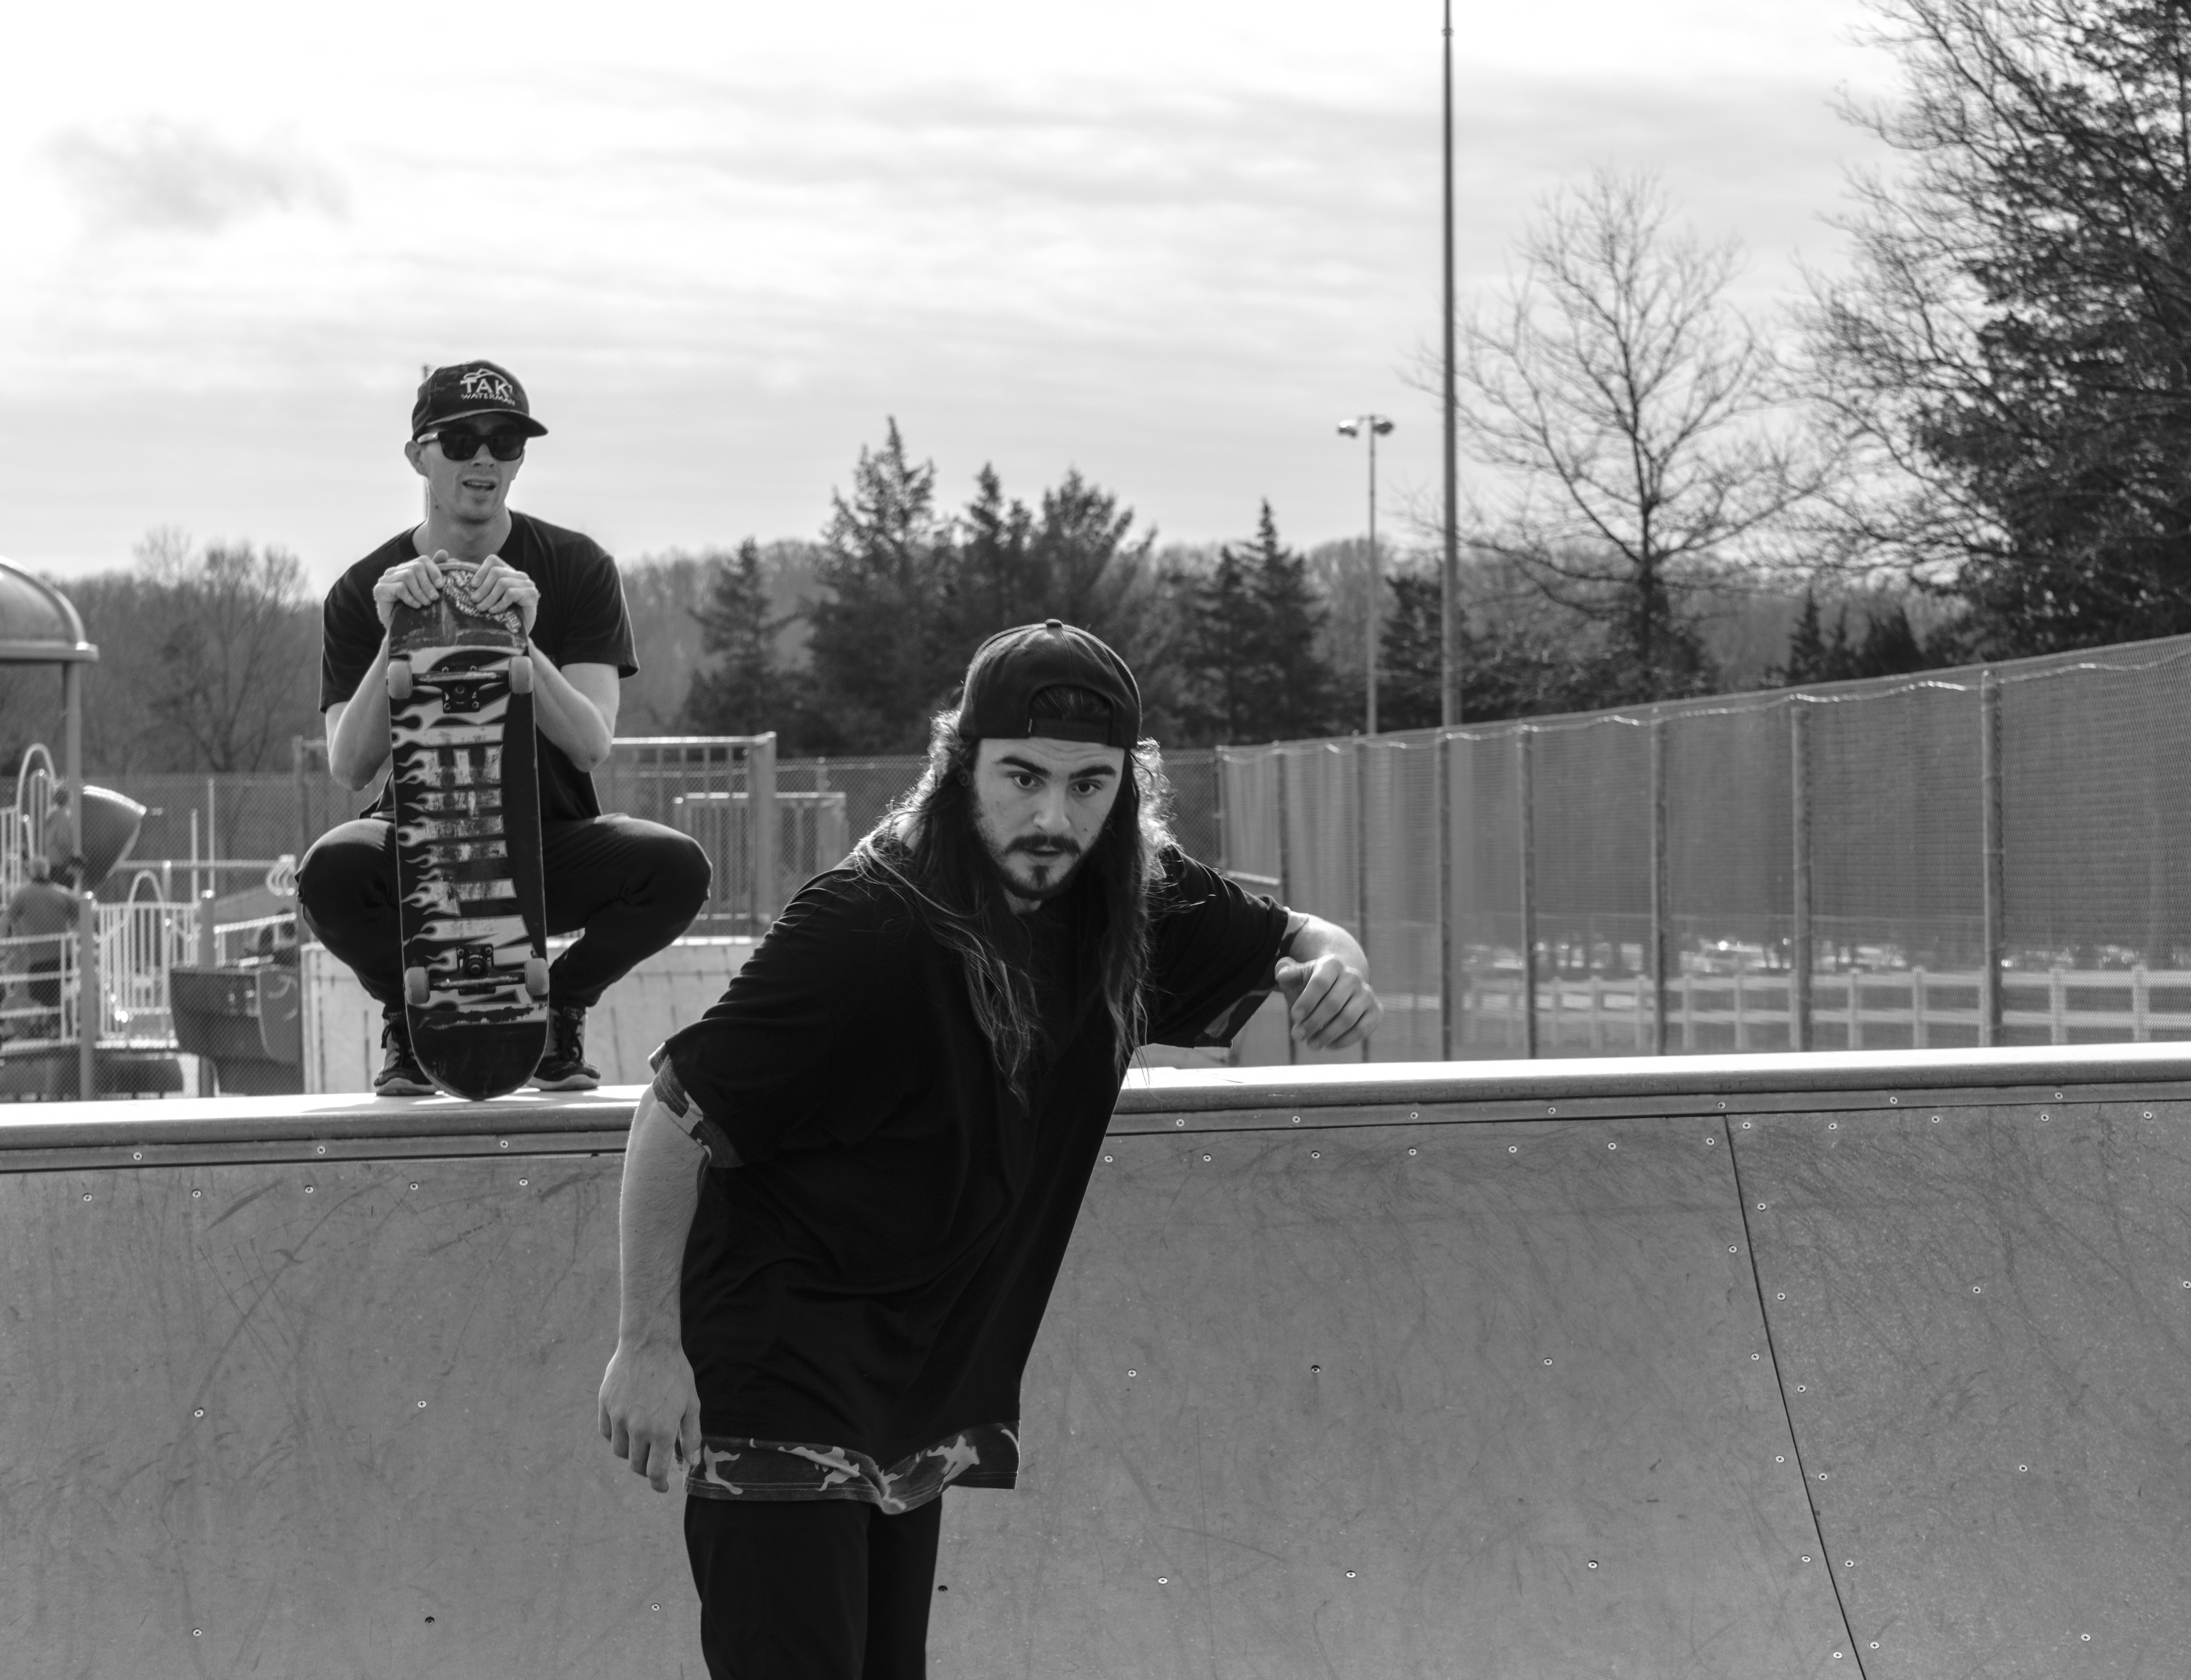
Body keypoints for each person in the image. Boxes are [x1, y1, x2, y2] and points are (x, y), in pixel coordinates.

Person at [597, 620, 1381, 1680]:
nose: (1054, 818)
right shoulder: (869, 922)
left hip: (913, 1391)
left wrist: (1334, 962)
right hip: (778, 1373)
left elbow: (1299, 936)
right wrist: (649, 1345)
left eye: (1090, 785)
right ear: (959, 766)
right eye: (1022, 777)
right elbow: (673, 1112)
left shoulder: (1126, 898)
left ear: (1125, 788)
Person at [297, 360, 710, 1095]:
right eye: (460, 440)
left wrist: (520, 636)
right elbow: (349, 765)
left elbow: (589, 741)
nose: (484, 456)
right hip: (424, 845)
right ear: (418, 456)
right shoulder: (365, 591)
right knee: (329, 870)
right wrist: (398, 634)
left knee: (676, 867)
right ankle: (410, 1017)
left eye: (506, 441)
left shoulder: (577, 568)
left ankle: (558, 1008)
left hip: (546, 842)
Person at [0, 859, 77, 1038]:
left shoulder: (23, 895)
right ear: (47, 872)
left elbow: (6, 920)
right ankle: (61, 1028)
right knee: (54, 994)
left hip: (40, 959)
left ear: (31, 873)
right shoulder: (62, 893)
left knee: (44, 994)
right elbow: (84, 912)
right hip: (65, 956)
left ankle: (60, 1029)